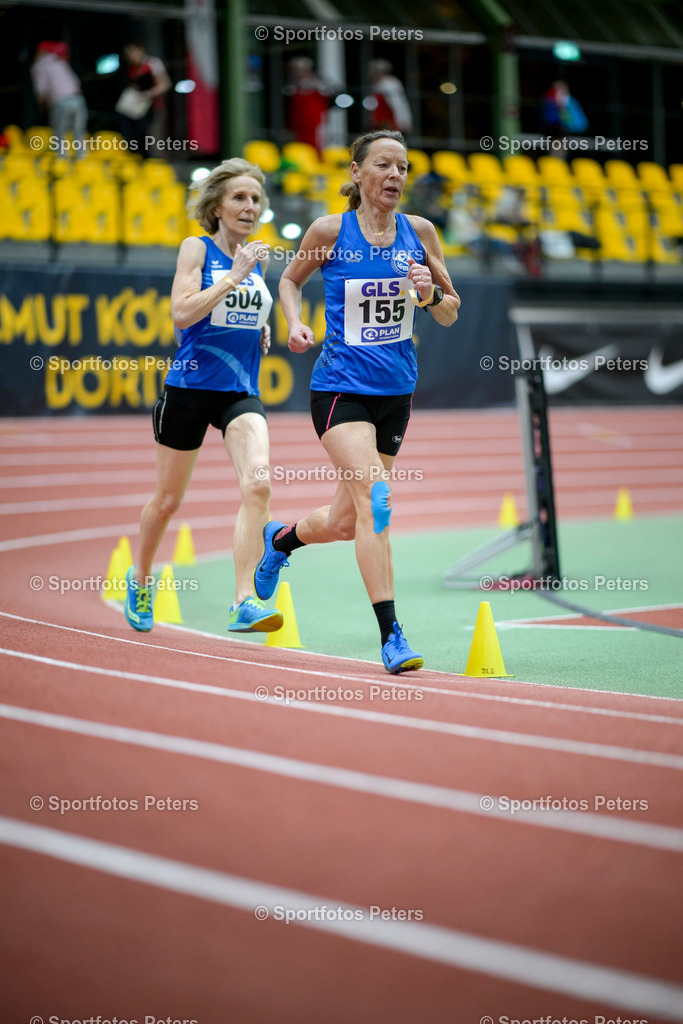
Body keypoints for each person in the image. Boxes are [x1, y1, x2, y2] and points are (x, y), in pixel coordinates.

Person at [253, 130, 460, 674]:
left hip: (397, 393)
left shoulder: (421, 233)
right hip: (341, 389)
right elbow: (290, 282)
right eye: (384, 165)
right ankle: (392, 636)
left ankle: (280, 540)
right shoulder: (329, 231)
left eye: (404, 167)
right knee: (378, 499)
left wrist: (429, 292)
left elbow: (449, 311)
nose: (395, 176)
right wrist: (295, 322)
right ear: (356, 173)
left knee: (349, 521)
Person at [124, 159, 283, 635]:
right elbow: (181, 313)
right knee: (168, 500)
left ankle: (242, 601)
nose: (249, 206)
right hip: (190, 390)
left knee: (258, 485)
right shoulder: (197, 249)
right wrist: (233, 277)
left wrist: (262, 325)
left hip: (240, 392)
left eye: (256, 199)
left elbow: (237, 311)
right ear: (215, 206)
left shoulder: (257, 256)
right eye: (239, 197)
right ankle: (142, 577)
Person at [31, 42, 88, 153]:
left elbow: (41, 90)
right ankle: (81, 160)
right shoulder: (60, 61)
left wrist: (42, 107)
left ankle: (61, 160)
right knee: (79, 132)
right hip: (78, 99)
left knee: (59, 133)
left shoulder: (39, 64)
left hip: (61, 101)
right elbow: (76, 82)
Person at [117, 41, 171, 151]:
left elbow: (165, 84)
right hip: (136, 108)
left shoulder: (153, 63)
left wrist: (149, 93)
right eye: (128, 53)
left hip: (153, 107)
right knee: (134, 136)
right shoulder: (132, 67)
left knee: (152, 138)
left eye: (133, 52)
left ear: (140, 49)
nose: (131, 56)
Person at [284, 56, 331, 153]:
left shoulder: (318, 83)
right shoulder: (292, 85)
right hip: (298, 122)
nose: (298, 73)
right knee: (299, 145)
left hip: (314, 121)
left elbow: (327, 95)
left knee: (317, 143)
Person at [367, 60, 413, 135]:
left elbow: (397, 105)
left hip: (389, 123)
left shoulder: (390, 84)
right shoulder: (377, 85)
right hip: (379, 123)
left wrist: (403, 122)